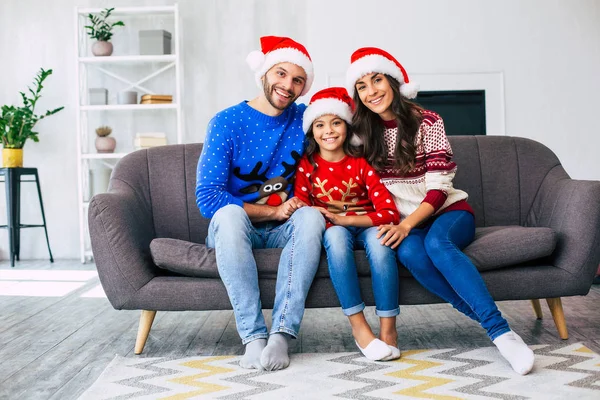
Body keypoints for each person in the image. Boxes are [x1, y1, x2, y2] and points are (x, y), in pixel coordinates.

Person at [345, 47, 535, 375]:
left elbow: (439, 187)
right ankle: (500, 329)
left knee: (436, 245)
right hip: (404, 223)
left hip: (449, 212)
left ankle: (500, 332)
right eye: (362, 86)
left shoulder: (427, 121)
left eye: (377, 80)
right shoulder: (362, 134)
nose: (371, 91)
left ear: (393, 82)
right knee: (412, 255)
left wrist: (406, 226)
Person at [196, 36, 325, 371]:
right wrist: (271, 210)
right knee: (227, 215)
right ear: (264, 74)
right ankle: (253, 337)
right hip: (236, 230)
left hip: (285, 228)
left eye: (298, 80)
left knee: (311, 218)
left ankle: (282, 334)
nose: (287, 85)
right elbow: (208, 198)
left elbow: (345, 121)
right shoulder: (226, 122)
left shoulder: (305, 119)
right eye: (280, 74)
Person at [293, 87, 401, 361]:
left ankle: (389, 329)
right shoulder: (307, 166)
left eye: (336, 122)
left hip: (365, 222)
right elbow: (301, 207)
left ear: (346, 126)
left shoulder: (360, 164)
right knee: (338, 240)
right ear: (312, 131)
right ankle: (359, 326)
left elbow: (388, 213)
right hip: (333, 229)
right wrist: (331, 219)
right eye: (320, 124)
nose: (328, 130)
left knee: (381, 243)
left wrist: (346, 217)